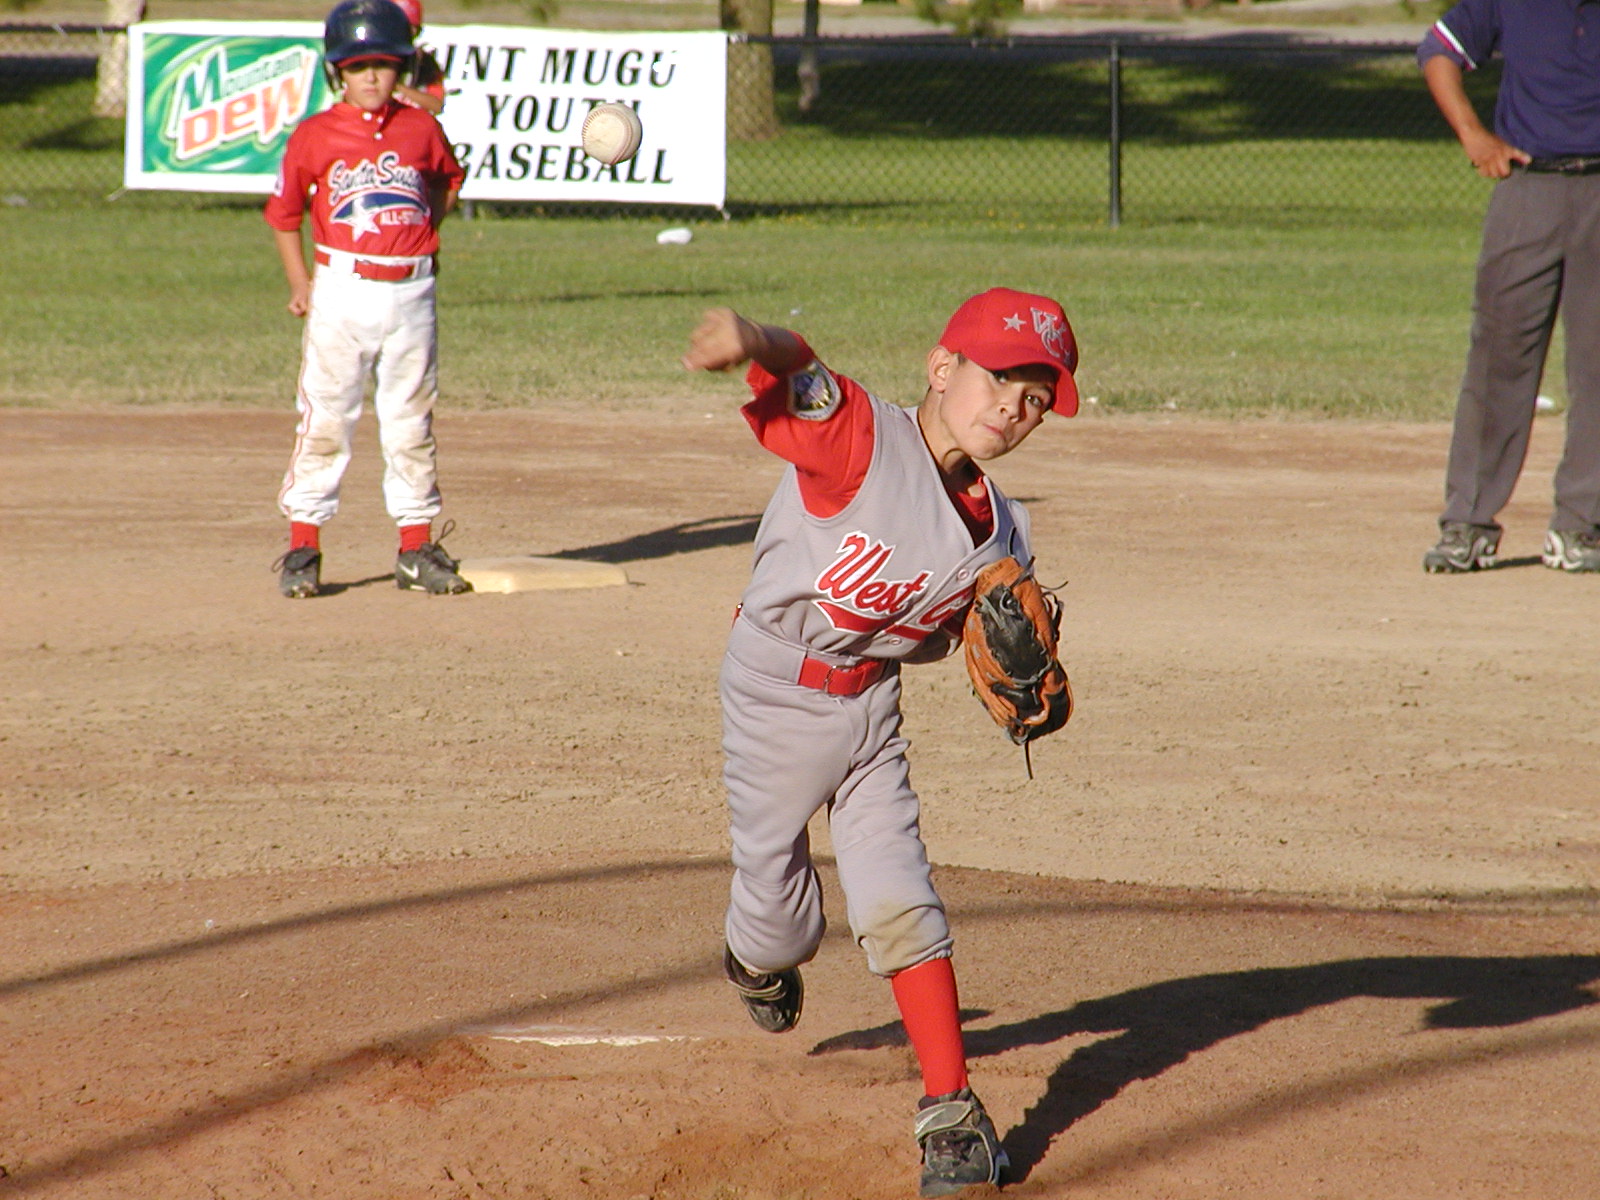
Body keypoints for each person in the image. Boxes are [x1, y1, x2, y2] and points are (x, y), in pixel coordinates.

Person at [681, 288, 1079, 1198]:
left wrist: (1036, 694)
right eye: (998, 381)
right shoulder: (861, 440)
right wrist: (753, 338)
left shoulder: (1004, 531)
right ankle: (754, 954)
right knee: (784, 927)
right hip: (774, 694)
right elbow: (800, 368)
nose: (1012, 410)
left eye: (1034, 400)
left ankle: (951, 1115)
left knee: (900, 896)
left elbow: (1007, 660)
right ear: (941, 368)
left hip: (870, 711)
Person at [265, 0, 469, 598]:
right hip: (343, 289)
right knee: (327, 417)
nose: (372, 77)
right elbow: (284, 213)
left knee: (411, 421)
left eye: (383, 64)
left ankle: (415, 548)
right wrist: (300, 283)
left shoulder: (420, 128)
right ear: (338, 72)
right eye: (357, 66)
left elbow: (447, 180)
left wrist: (422, 234)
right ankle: (303, 546)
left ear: (401, 66)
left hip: (412, 290)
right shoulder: (315, 134)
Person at [1419, 0, 1600, 574]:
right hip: (1529, 187)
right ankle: (1468, 522)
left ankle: (1581, 523)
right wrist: (1474, 135)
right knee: (1500, 358)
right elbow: (1439, 51)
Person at [391, 0, 448, 116]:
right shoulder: (369, 55)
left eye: (411, 27)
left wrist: (397, 87)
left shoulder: (425, 62)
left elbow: (436, 105)